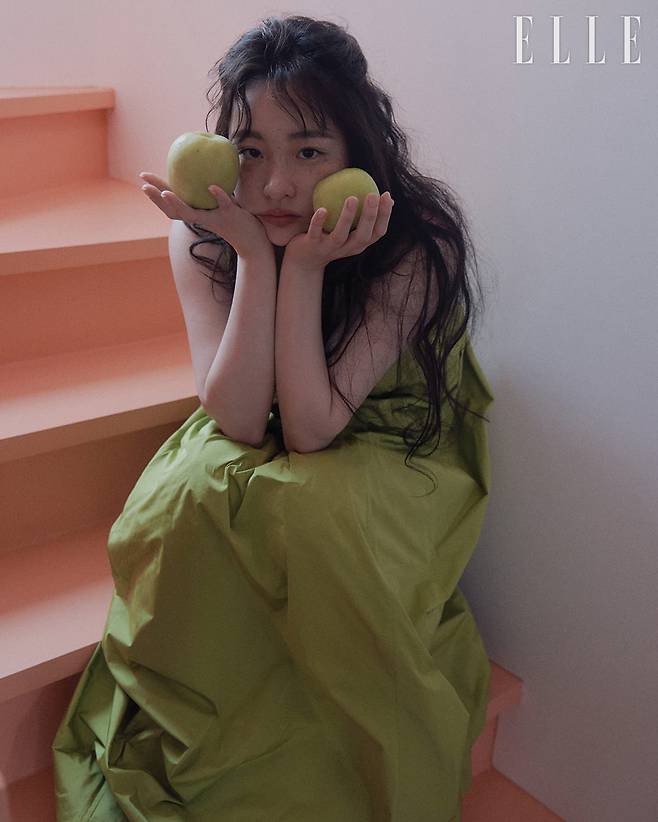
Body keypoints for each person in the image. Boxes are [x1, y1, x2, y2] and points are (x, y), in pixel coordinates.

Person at [52, 13, 494, 822]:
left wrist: (311, 265)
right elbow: (237, 416)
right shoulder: (207, 232)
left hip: (389, 433)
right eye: (252, 152)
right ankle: (203, 712)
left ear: (356, 152)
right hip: (265, 403)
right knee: (186, 491)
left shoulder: (413, 241)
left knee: (318, 513)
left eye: (310, 152)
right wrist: (257, 258)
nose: (278, 185)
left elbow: (317, 427)